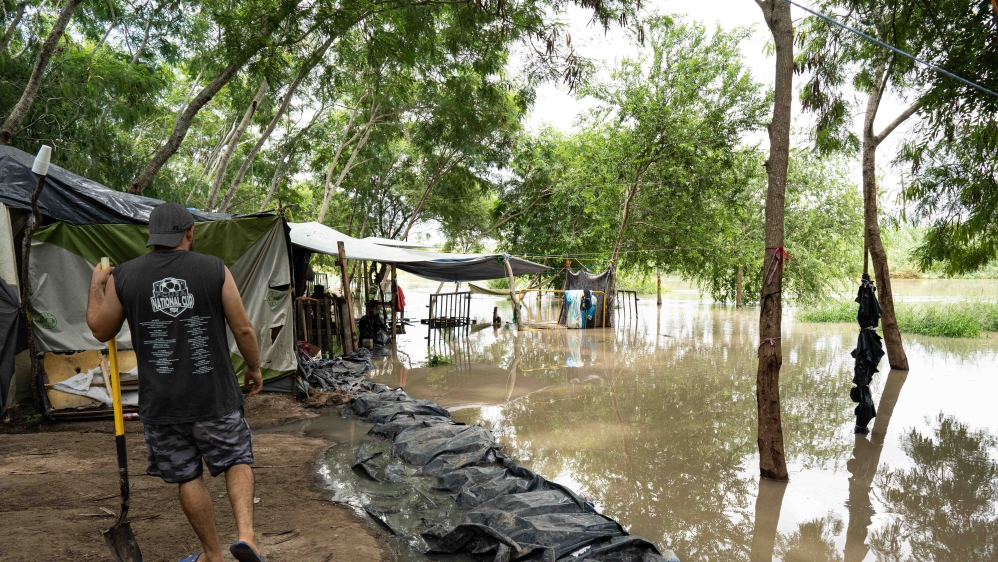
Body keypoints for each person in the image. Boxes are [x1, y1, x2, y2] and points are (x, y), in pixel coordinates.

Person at [87, 203, 266, 562]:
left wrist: (96, 285)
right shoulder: (214, 269)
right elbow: (243, 328)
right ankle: (246, 537)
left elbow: (100, 329)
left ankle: (212, 555)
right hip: (214, 396)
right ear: (190, 233)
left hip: (162, 404)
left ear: (150, 236)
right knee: (236, 459)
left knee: (187, 476)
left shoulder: (125, 276)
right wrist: (254, 367)